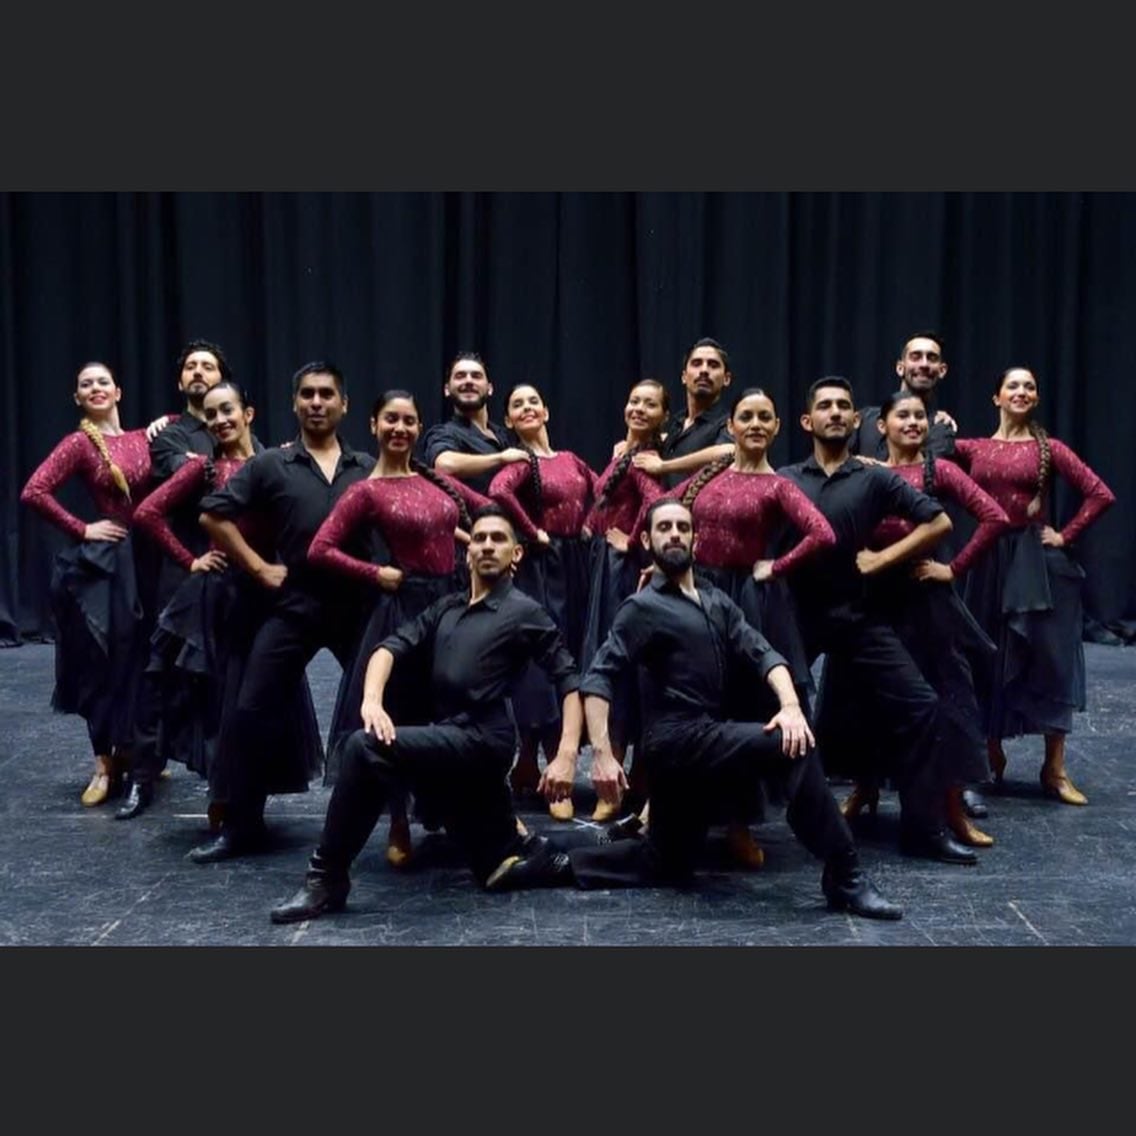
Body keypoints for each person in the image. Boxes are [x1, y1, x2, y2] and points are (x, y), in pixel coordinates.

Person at [552, 499, 901, 920]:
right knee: (792, 746)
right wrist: (603, 755)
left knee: (666, 862)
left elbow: (765, 654)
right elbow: (599, 678)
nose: (675, 534)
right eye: (664, 528)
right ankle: (845, 875)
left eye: (683, 527)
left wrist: (791, 706)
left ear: (696, 541)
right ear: (646, 540)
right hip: (676, 740)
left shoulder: (716, 602)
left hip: (702, 746)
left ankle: (553, 858)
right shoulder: (642, 608)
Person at [268, 505, 587, 924]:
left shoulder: (524, 611)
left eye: (499, 539)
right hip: (449, 736)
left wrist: (565, 756)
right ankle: (589, 844)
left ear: (516, 555)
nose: (487, 545)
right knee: (496, 863)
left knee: (364, 749)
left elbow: (569, 680)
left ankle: (326, 879)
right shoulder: (448, 608)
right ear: (467, 552)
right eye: (479, 538)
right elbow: (387, 650)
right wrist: (371, 702)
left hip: (482, 740)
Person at [777, 377, 977, 864]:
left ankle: (923, 829)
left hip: (855, 615)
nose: (836, 413)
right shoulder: (784, 478)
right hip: (796, 620)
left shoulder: (874, 478)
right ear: (808, 421)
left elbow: (940, 522)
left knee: (922, 706)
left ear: (855, 420)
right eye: (824, 405)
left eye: (844, 406)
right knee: (767, 709)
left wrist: (881, 560)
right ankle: (737, 825)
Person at [187, 361, 376, 862]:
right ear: (294, 404)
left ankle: (401, 823)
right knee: (250, 711)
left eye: (326, 394)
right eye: (308, 395)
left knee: (385, 708)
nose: (317, 402)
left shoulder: (366, 467)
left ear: (344, 405)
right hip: (294, 606)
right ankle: (241, 824)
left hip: (356, 608)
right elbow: (213, 514)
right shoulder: (271, 464)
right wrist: (256, 567)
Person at [308, 389, 492, 865]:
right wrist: (376, 573)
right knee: (403, 716)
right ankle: (398, 819)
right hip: (404, 610)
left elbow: (441, 522)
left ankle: (452, 811)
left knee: (449, 710)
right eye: (391, 419)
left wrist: (474, 542)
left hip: (451, 604)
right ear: (374, 425)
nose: (400, 429)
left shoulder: (431, 480)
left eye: (409, 421)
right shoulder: (365, 491)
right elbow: (320, 549)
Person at [130, 381, 323, 826]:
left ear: (248, 413)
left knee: (269, 693)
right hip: (225, 597)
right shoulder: (203, 470)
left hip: (273, 593)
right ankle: (227, 797)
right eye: (212, 414)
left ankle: (250, 793)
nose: (219, 421)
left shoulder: (275, 462)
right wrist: (192, 559)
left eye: (227, 411)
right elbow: (146, 513)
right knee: (226, 699)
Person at [664, 387, 837, 866]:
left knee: (742, 708)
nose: (756, 424)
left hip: (747, 602)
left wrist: (776, 567)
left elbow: (823, 533)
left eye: (765, 416)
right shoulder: (708, 474)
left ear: (778, 427)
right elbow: (663, 514)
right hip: (698, 595)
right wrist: (661, 564)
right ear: (733, 427)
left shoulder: (779, 485)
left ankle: (739, 824)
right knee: (696, 702)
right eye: (747, 417)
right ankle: (678, 815)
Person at [833, 390, 1009, 848]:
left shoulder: (939, 470)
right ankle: (864, 788)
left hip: (926, 604)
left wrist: (952, 568)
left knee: (944, 700)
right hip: (872, 602)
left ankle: (950, 809)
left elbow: (994, 516)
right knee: (865, 697)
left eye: (919, 417)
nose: (913, 424)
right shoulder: (863, 473)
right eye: (903, 417)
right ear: (881, 426)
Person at [951, 367, 1115, 804]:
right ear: (997, 397)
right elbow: (926, 461)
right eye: (1013, 386)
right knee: (985, 658)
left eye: (1029, 387)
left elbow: (1099, 493)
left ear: (1035, 399)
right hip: (987, 563)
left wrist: (1065, 535)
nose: (1021, 391)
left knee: (1050, 662)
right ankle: (991, 756)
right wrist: (939, 427)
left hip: (1036, 566)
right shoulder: (974, 448)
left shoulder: (1051, 449)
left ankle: (1054, 769)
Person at [20, 362, 156, 806]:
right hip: (107, 568)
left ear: (118, 391)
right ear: (77, 398)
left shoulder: (146, 438)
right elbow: (34, 491)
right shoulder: (80, 443)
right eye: (85, 385)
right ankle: (104, 762)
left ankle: (142, 753)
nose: (95, 388)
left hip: (151, 559)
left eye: (102, 382)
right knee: (102, 662)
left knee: (146, 662)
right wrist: (83, 529)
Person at [118, 339, 232, 815]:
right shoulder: (169, 436)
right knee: (158, 674)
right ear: (181, 381)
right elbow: (174, 483)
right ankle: (142, 779)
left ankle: (223, 785)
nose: (199, 373)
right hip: (180, 568)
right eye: (191, 367)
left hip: (229, 571)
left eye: (208, 366)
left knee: (223, 676)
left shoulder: (234, 431)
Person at [489, 383, 599, 820]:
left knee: (572, 652)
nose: (528, 407)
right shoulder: (522, 461)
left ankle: (531, 762)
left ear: (547, 411)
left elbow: (602, 488)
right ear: (511, 422)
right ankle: (551, 762)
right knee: (542, 661)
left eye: (534, 400)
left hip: (576, 564)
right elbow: (498, 490)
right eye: (517, 405)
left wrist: (590, 524)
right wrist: (530, 531)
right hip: (543, 567)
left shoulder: (570, 459)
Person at [579, 379, 668, 820]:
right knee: (606, 663)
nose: (638, 408)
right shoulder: (621, 450)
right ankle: (613, 774)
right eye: (634, 400)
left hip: (623, 573)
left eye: (650, 404)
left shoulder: (646, 460)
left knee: (623, 668)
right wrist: (590, 525)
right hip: (603, 568)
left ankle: (627, 778)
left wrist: (632, 543)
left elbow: (657, 503)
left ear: (662, 417)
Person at [630, 337, 737, 489]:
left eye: (713, 365)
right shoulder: (676, 423)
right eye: (696, 363)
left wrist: (664, 466)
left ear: (726, 379)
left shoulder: (729, 423)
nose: (704, 370)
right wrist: (631, 444)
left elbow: (730, 451)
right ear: (684, 376)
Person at [419, 352, 530, 495]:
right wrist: (500, 459)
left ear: (490, 388)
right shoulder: (443, 433)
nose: (468, 381)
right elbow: (445, 465)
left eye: (476, 376)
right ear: (447, 389)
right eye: (460, 376)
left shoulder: (505, 435)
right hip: (472, 516)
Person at [853, 331, 958, 460]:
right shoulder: (865, 419)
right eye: (916, 357)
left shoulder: (941, 427)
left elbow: (928, 474)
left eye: (932, 358)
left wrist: (864, 467)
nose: (924, 364)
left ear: (942, 371)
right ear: (900, 368)